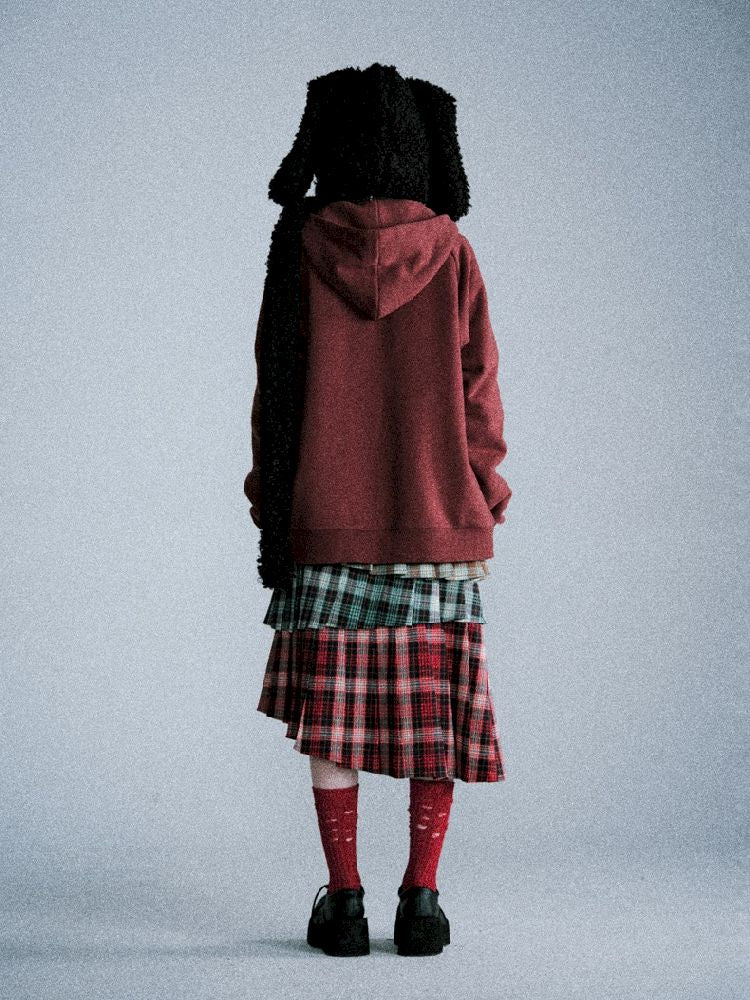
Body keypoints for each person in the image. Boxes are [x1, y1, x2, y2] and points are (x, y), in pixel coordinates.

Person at [244, 62, 511, 958]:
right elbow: (480, 391)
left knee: (334, 722)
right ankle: (422, 901)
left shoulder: (298, 245)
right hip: (439, 522)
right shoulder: (452, 250)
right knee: (435, 718)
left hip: (324, 520)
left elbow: (276, 393)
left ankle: (346, 901)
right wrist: (485, 498)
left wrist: (271, 506)